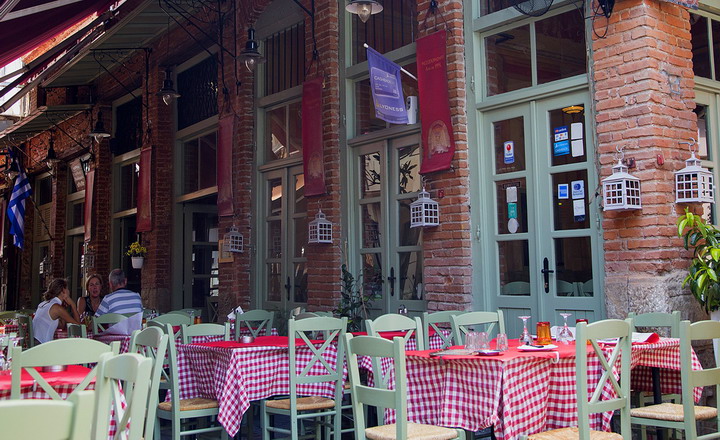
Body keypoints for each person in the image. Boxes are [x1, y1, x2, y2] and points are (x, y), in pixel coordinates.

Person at [33, 278, 81, 344]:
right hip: (42, 345)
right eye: (67, 289)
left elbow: (61, 325)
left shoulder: (44, 304)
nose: (69, 291)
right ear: (63, 291)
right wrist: (73, 305)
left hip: (34, 342)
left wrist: (64, 307)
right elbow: (79, 327)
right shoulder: (57, 308)